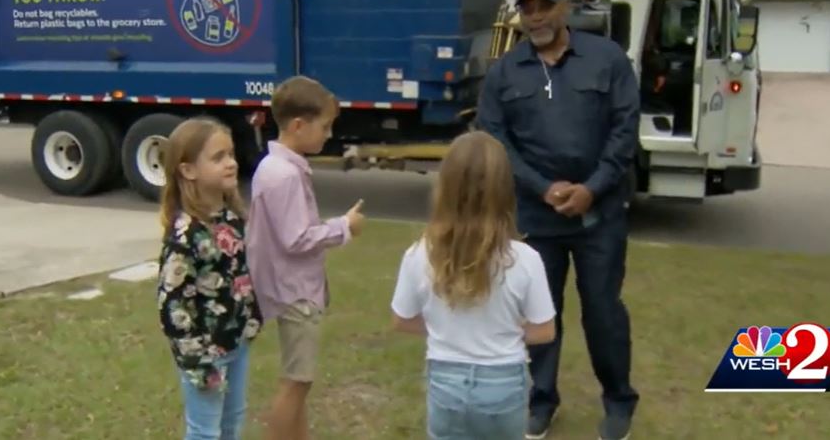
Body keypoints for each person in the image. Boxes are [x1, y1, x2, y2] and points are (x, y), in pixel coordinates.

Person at [477, 0, 641, 440]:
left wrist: (592, 186)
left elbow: (624, 130)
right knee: (536, 314)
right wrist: (541, 187)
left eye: (543, 6)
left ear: (563, 7)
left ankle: (618, 401)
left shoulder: (606, 59)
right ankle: (541, 400)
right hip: (534, 215)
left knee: (603, 311)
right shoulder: (505, 71)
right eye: (526, 9)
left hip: (599, 214)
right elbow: (494, 138)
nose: (535, 17)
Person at [390, 131, 557, 440]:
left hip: (446, 382)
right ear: (505, 189)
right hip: (504, 383)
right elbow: (544, 330)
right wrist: (503, 331)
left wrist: (445, 329)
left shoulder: (419, 254)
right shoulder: (525, 259)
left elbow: (402, 319)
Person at [244, 75, 366, 440]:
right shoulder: (283, 175)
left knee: (301, 381)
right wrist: (345, 226)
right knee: (296, 382)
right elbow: (297, 238)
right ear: (298, 125)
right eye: (325, 126)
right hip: (295, 293)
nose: (328, 135)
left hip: (289, 288)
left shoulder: (276, 167)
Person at [156, 116, 264, 440]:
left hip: (237, 341)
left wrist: (252, 318)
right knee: (205, 431)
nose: (231, 163)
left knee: (232, 422)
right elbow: (172, 303)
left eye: (230, 154)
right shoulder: (186, 233)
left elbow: (243, 273)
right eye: (218, 158)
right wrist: (198, 362)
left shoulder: (234, 218)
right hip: (203, 354)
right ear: (188, 170)